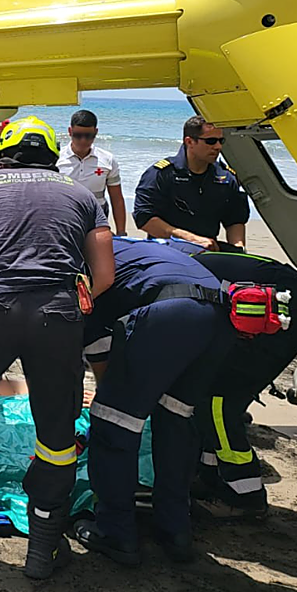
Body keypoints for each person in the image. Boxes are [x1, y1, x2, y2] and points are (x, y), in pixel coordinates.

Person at [0, 117, 115, 579]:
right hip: (56, 315)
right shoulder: (80, 195)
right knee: (56, 432)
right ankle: (43, 548)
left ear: (5, 150)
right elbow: (105, 276)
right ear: (53, 154)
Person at [75, 238, 234, 566]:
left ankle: (116, 533)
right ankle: (175, 529)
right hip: (220, 316)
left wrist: (112, 402)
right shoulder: (127, 246)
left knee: (112, 424)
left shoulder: (81, 266)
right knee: (176, 417)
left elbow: (97, 346)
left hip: (170, 313)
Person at [160, 240, 297, 519]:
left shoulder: (159, 281)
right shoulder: (165, 263)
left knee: (219, 402)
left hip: (280, 307)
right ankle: (211, 475)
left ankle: (245, 495)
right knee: (205, 390)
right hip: (277, 295)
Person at [133, 116, 249, 250]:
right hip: (166, 250)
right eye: (210, 141)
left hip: (208, 249)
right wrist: (190, 239)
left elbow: (235, 219)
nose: (218, 147)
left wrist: (238, 248)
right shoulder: (161, 173)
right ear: (189, 142)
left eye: (220, 140)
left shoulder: (226, 176)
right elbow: (144, 218)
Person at [57, 109, 126, 235]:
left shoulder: (108, 160)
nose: (83, 140)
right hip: (66, 217)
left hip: (97, 217)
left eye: (88, 136)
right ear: (70, 132)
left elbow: (117, 199)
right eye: (78, 135)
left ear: (96, 132)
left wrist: (121, 232)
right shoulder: (56, 159)